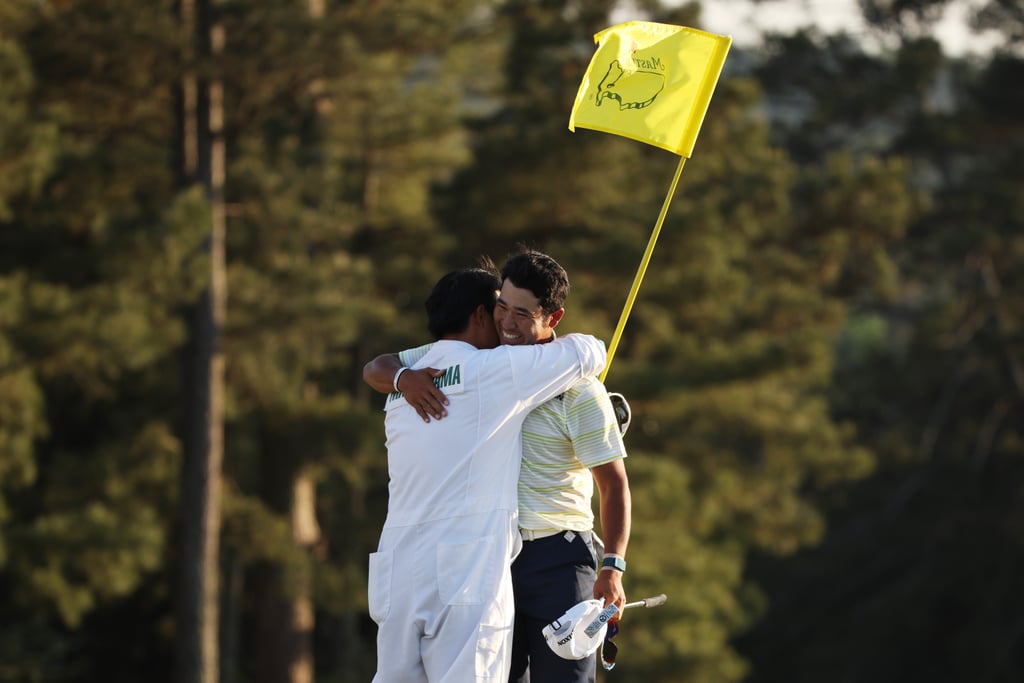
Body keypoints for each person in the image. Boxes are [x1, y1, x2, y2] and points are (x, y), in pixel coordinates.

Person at [364, 250, 632, 682]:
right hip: (485, 564)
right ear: (481, 313)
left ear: (554, 316)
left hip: (552, 558)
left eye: (521, 312)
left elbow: (613, 482)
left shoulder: (417, 371)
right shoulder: (489, 367)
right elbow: (592, 349)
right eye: (499, 308)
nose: (506, 322)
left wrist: (613, 566)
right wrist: (400, 375)